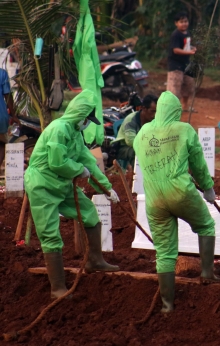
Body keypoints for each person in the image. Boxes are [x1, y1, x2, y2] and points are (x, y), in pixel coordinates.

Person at [24, 90, 120, 299]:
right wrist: (78, 170)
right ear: (80, 115)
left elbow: (89, 163)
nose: (87, 123)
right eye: (87, 119)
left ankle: (95, 260)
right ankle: (57, 289)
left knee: (89, 213)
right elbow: (57, 162)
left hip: (61, 183)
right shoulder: (59, 129)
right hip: (42, 185)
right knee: (50, 234)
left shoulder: (75, 134)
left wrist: (106, 188)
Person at [133, 91, 220, 313]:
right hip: (180, 192)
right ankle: (207, 273)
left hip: (154, 199)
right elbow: (198, 164)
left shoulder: (142, 133)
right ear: (176, 111)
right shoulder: (184, 130)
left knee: (164, 252)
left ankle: (167, 305)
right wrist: (208, 189)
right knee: (206, 225)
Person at [112, 94, 158, 170]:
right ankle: (138, 178)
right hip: (124, 147)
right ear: (143, 108)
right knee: (136, 152)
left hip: (146, 146)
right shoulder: (131, 120)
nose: (155, 115)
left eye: (157, 111)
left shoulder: (154, 121)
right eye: (152, 111)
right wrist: (149, 148)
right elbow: (130, 141)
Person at [167, 11, 196, 111]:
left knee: (189, 85)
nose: (184, 24)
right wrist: (189, 53)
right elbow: (176, 50)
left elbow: (184, 46)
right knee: (175, 87)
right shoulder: (175, 35)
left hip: (186, 63)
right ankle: (172, 109)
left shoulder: (187, 33)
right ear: (176, 23)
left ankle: (185, 106)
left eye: (186, 21)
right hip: (175, 64)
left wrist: (192, 48)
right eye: (181, 22)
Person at [0, 67, 16, 168]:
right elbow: (8, 96)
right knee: (1, 144)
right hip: (1, 116)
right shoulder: (2, 73)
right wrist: (14, 115)